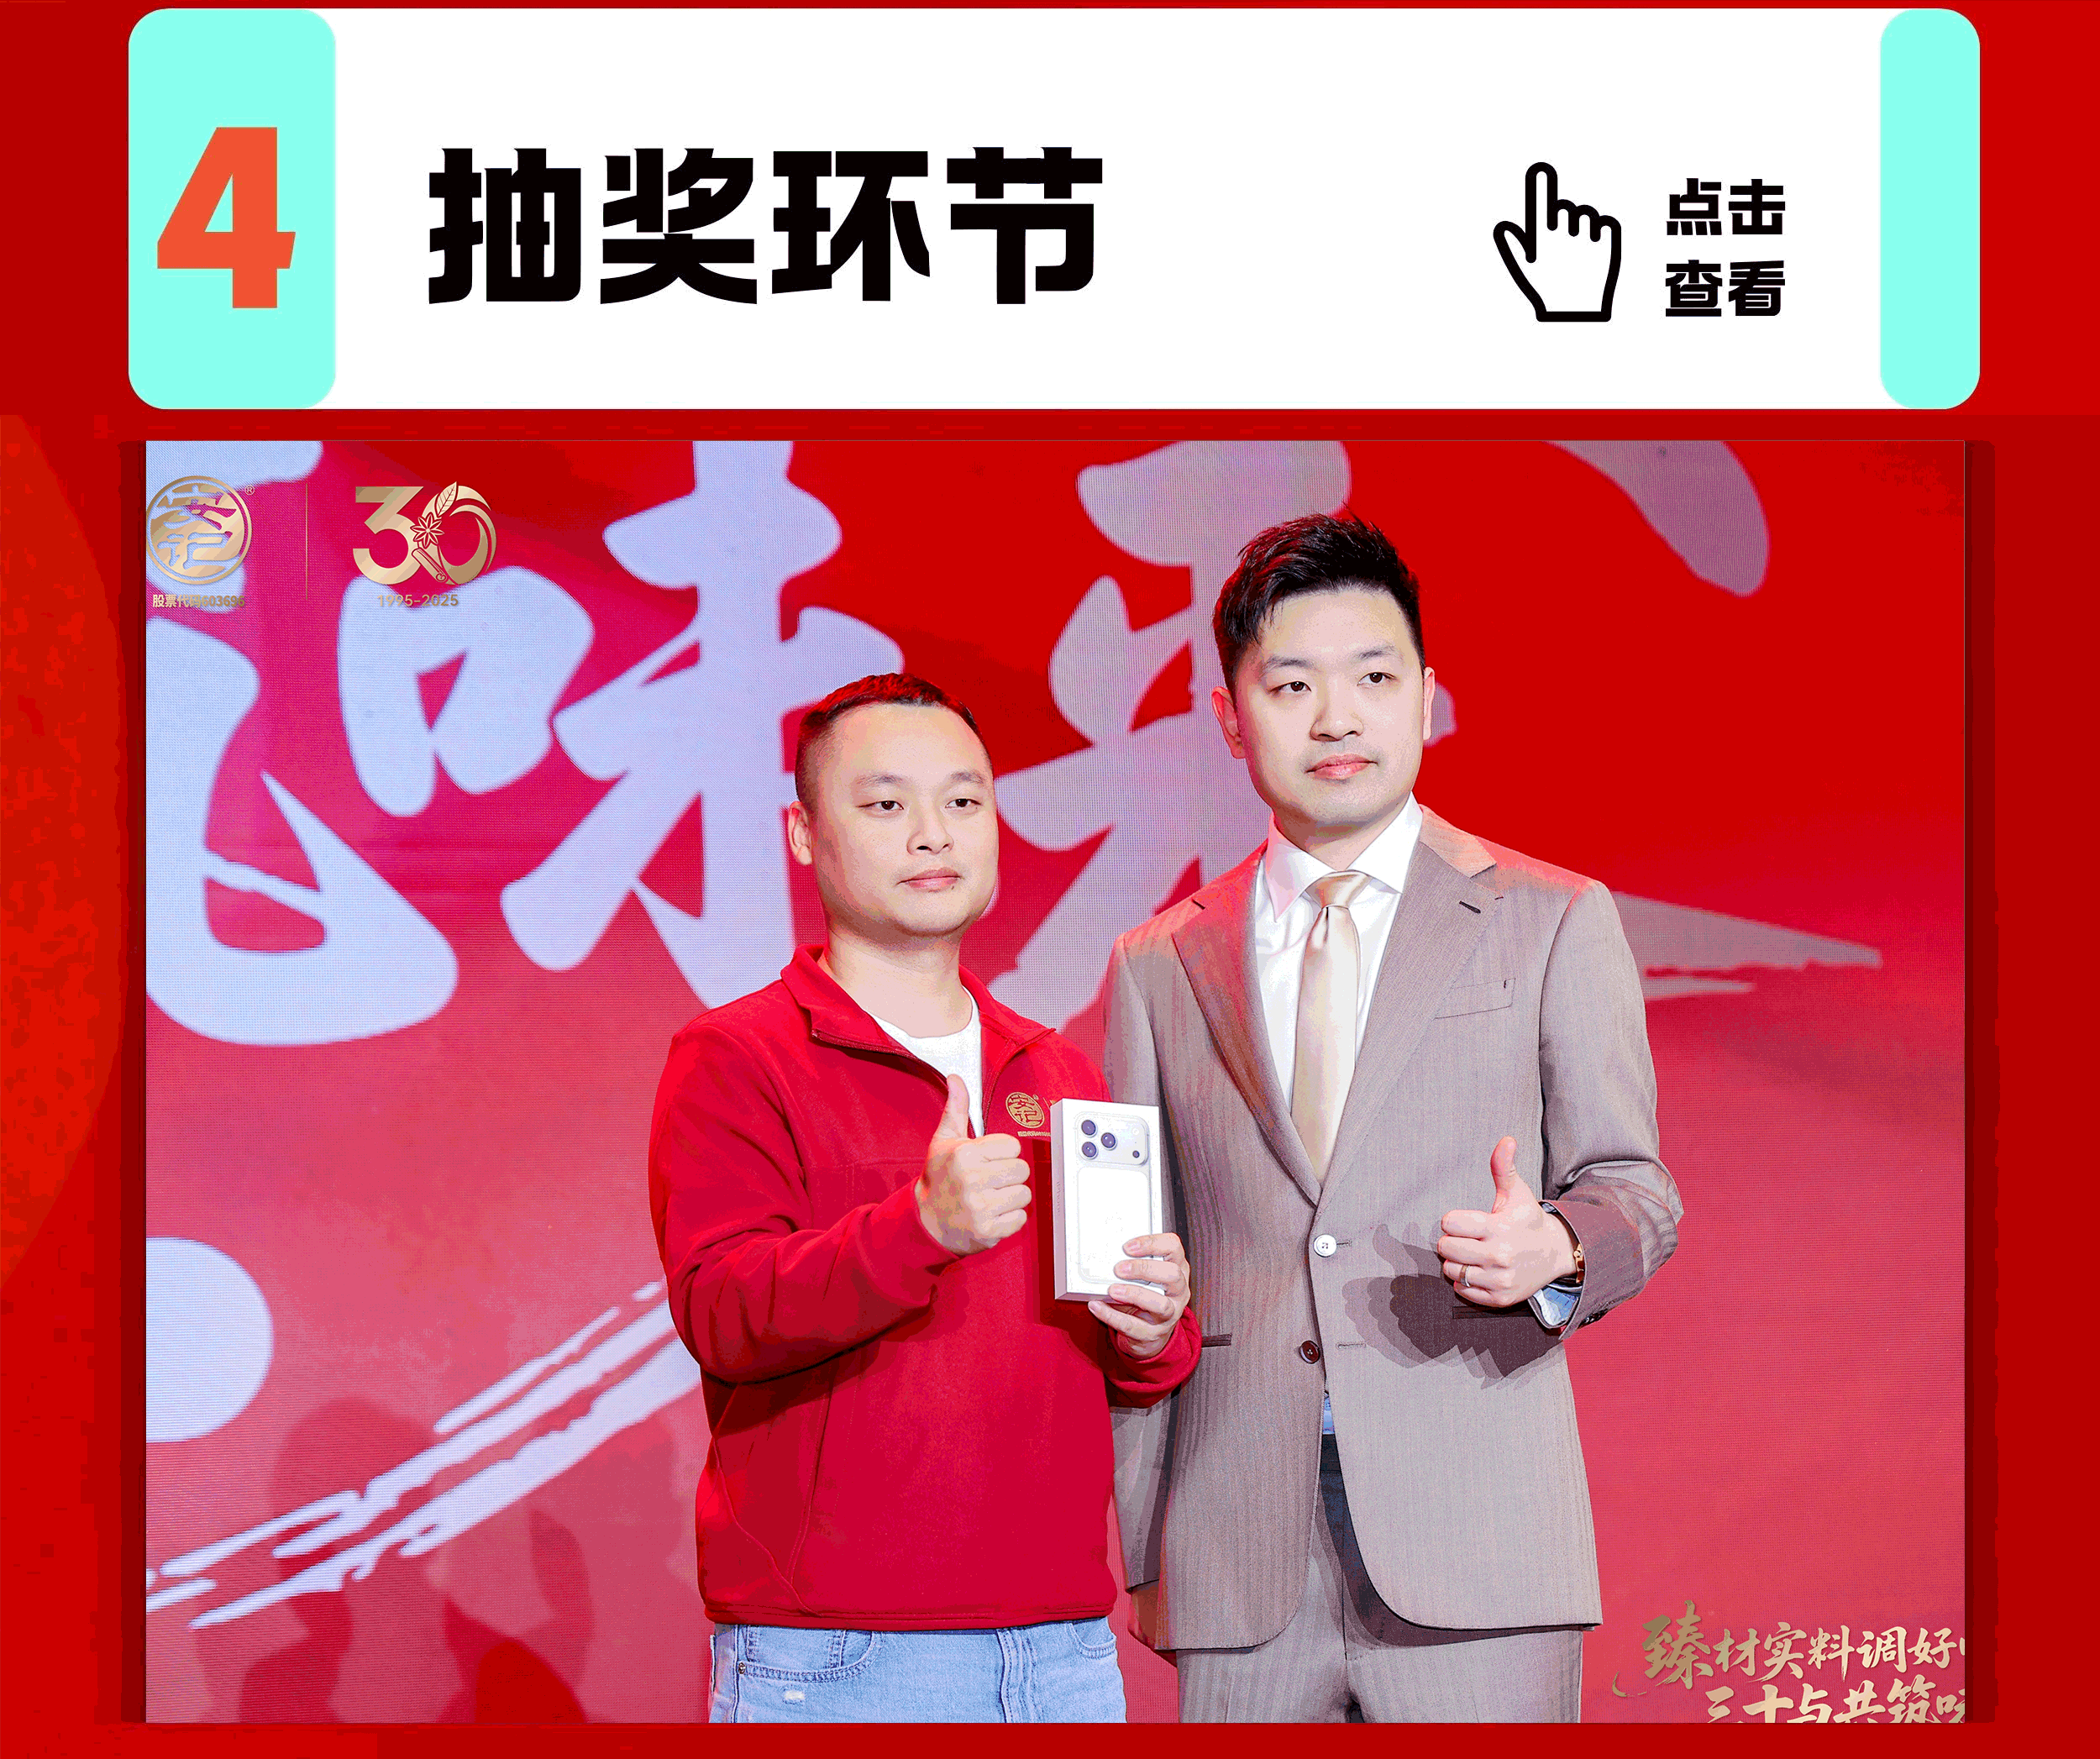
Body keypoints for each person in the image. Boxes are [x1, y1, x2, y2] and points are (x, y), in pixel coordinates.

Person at [1105, 513, 1682, 1721]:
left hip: (1478, 1524)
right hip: (1237, 1540)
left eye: (1372, 678)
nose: (1336, 718)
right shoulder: (1158, 963)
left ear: (1427, 696)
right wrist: (1151, 1542)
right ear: (1229, 716)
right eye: (1292, 686)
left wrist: (1557, 1247)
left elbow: (1635, 1187)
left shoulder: (1551, 917)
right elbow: (1139, 1258)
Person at [648, 672, 1199, 1723]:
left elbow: (1132, 1368)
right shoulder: (738, 1056)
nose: (931, 833)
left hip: (1062, 1648)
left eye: (962, 800)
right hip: (839, 1653)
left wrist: (1152, 1326)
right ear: (804, 835)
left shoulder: (1053, 1068)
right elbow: (721, 1311)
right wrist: (919, 1229)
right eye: (885, 803)